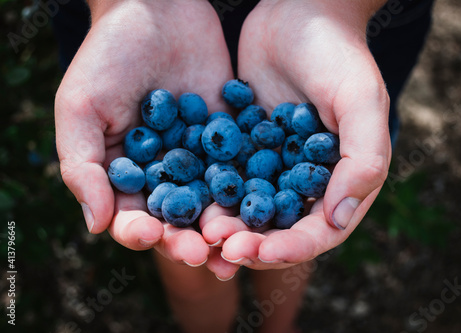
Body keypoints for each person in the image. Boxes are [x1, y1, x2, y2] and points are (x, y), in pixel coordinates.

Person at [53, 0, 434, 332]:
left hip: (335, 22)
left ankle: (278, 324)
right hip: (155, 32)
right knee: (192, 252)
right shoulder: (179, 159)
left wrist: (333, 10)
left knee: (292, 229)